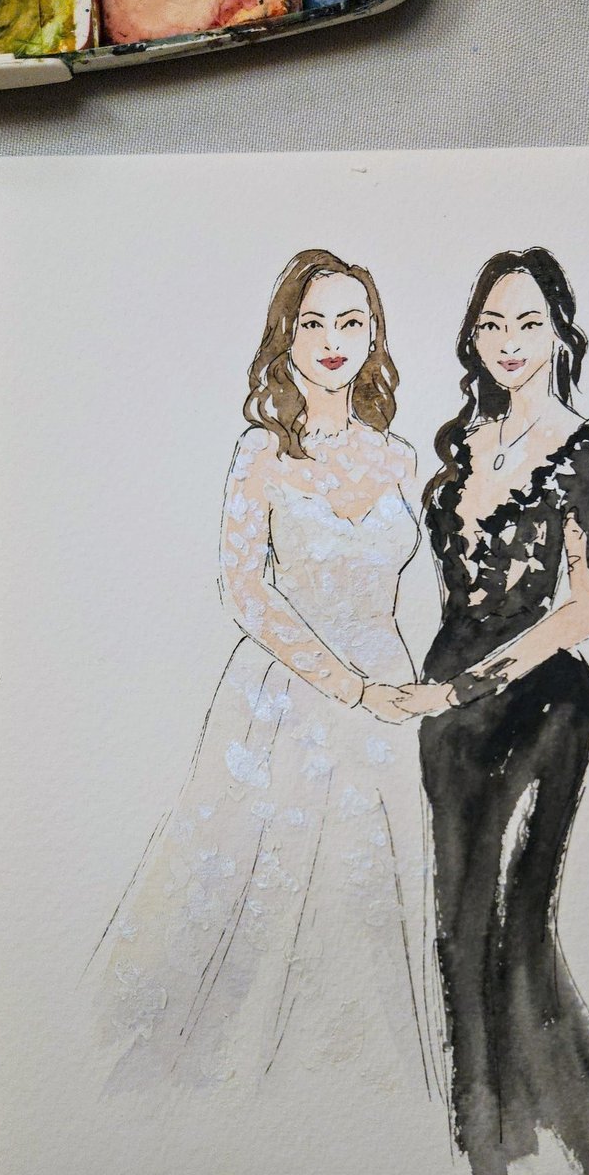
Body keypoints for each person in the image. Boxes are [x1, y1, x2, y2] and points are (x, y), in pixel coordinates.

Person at [89, 249, 440, 1098]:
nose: (331, 339)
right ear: (285, 337)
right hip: (285, 697)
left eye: (350, 322)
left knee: (373, 896)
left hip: (388, 702)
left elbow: (411, 593)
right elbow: (245, 590)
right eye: (312, 322)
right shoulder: (260, 452)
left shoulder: (400, 457)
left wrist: (406, 691)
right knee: (260, 895)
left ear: (375, 337)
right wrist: (348, 685)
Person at [398, 248, 589, 1175]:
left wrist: (476, 681)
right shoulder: (456, 442)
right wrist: (438, 690)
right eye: (491, 325)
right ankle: (488, 1119)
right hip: (449, 712)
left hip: (544, 701)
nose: (509, 342)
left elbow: (587, 605)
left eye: (528, 324)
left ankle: (527, 1134)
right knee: (454, 917)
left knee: (513, 912)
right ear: (472, 338)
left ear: (560, 335)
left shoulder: (587, 447)